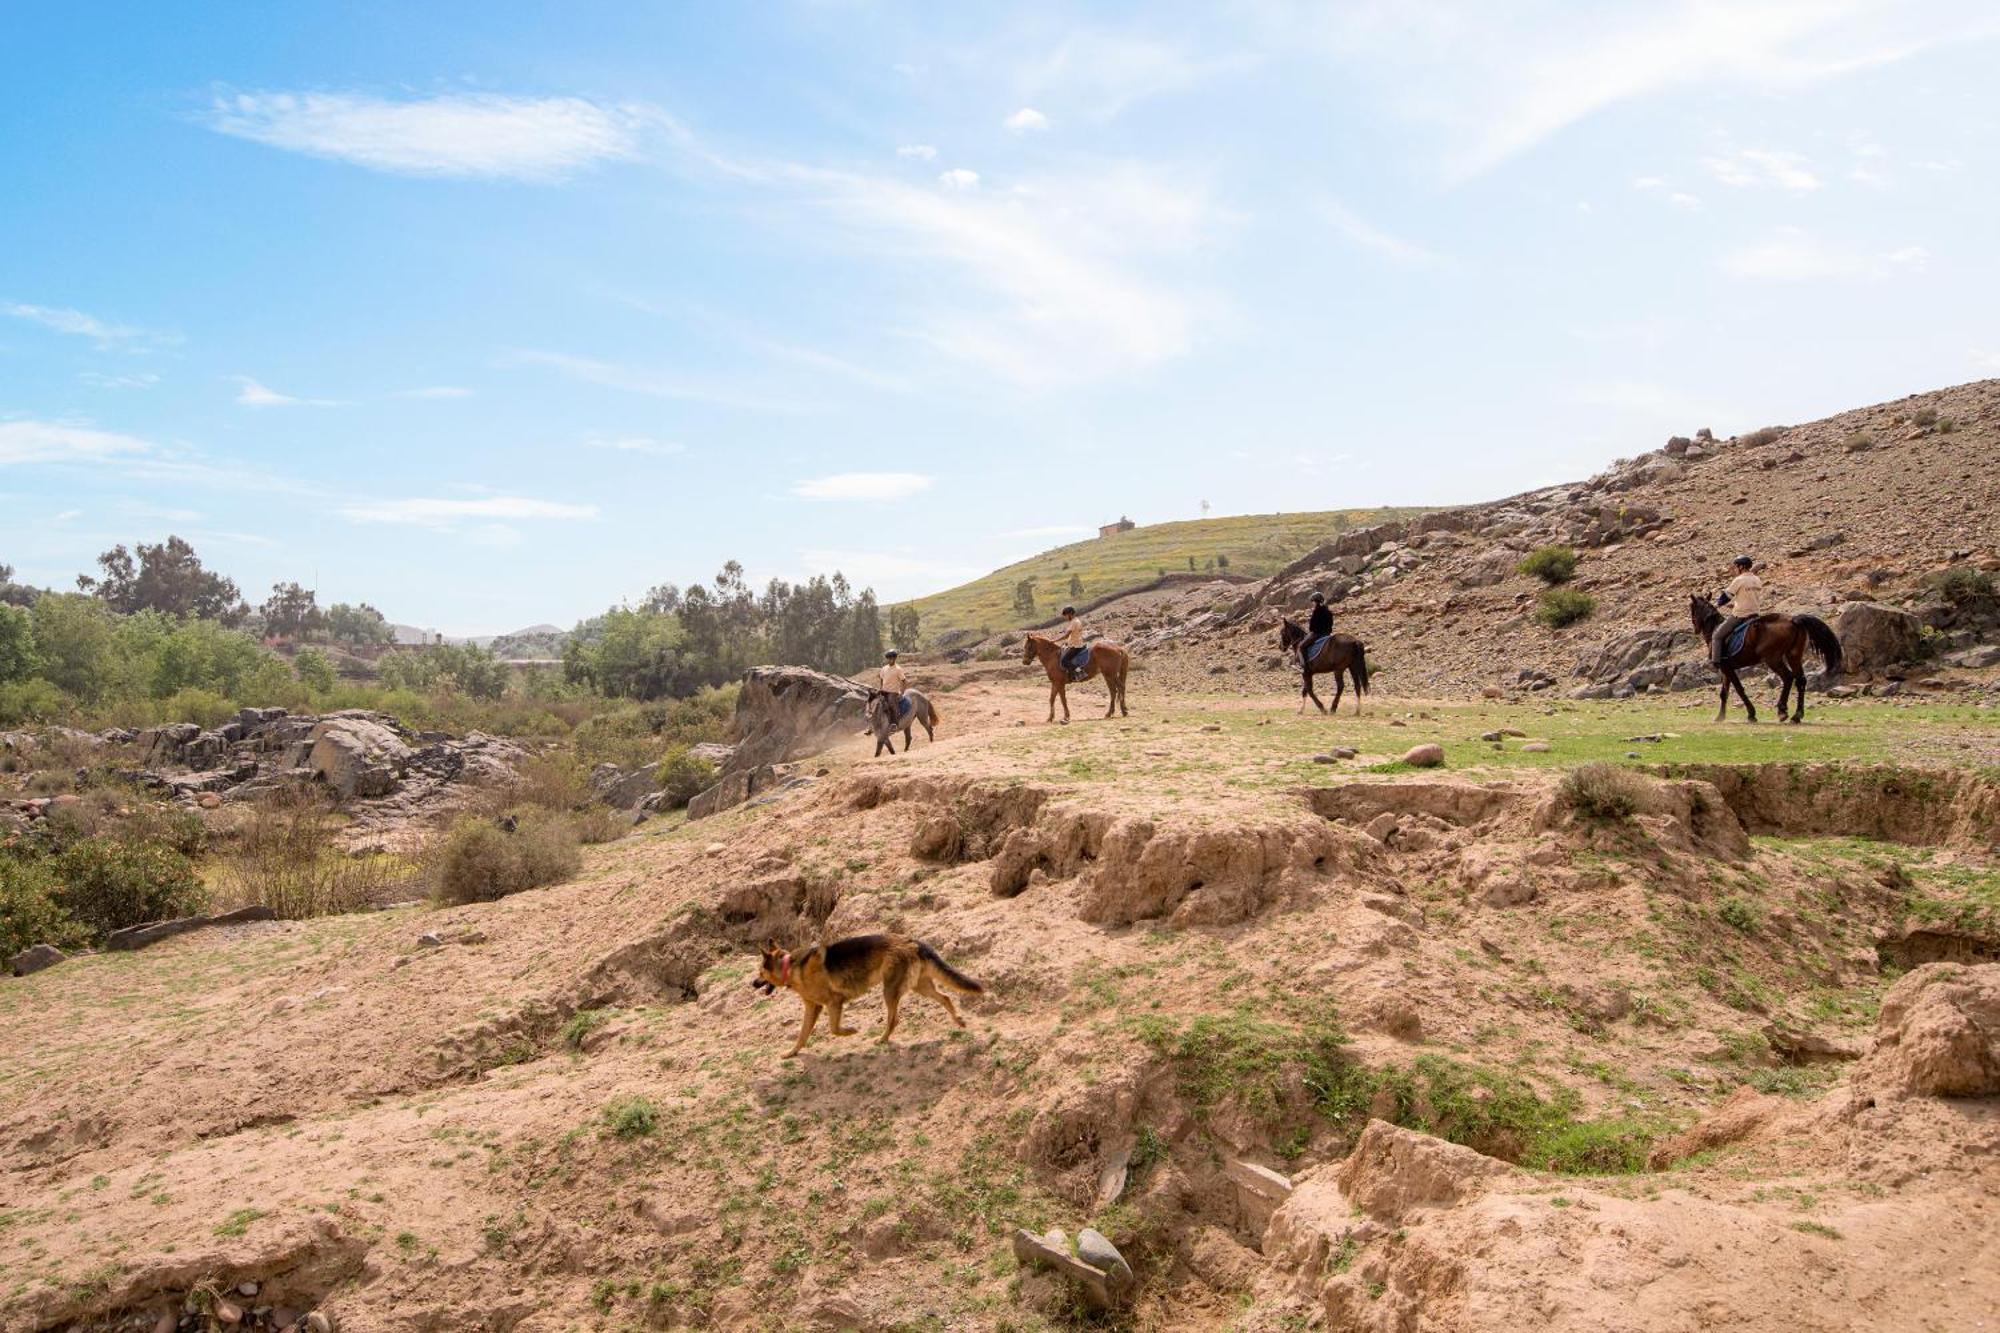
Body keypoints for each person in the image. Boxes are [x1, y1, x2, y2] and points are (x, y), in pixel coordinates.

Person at [1711, 555, 1765, 665]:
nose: (1734, 569)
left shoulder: (1739, 580)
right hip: (1755, 614)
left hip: (1741, 614)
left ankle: (1716, 662)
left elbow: (1726, 597)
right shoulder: (1757, 579)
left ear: (1741, 567)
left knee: (1717, 636)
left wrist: (1718, 604)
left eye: (1736, 567)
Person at [1055, 605, 1088, 681]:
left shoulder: (1074, 622)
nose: (1065, 618)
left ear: (1070, 614)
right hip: (1076, 643)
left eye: (1066, 616)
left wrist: (1054, 640)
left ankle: (1080, 672)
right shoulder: (1076, 621)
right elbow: (1071, 633)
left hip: (1076, 646)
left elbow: (1066, 636)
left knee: (1064, 661)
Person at [879, 649, 908, 720]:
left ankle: (894, 722)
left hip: (893, 692)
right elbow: (881, 679)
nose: (890, 659)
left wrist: (902, 693)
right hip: (884, 691)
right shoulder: (884, 668)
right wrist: (881, 688)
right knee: (875, 702)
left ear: (895, 658)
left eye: (892, 658)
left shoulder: (898, 669)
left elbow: (904, 681)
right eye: (888, 658)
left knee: (891, 703)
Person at [1304, 591, 1333, 661]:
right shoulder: (1328, 611)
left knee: (1301, 646)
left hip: (1317, 634)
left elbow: (1312, 626)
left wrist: (1312, 630)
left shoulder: (1316, 612)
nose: (1312, 604)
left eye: (1313, 602)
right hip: (1327, 634)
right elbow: (1331, 623)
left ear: (1316, 601)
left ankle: (1304, 664)